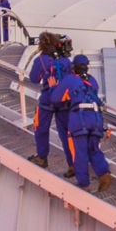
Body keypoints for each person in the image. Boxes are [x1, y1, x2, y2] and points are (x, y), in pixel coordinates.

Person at [56, 55, 113, 192]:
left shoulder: (70, 80)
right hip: (96, 119)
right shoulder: (92, 81)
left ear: (73, 67)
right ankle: (104, 174)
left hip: (79, 119)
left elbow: (55, 98)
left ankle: (84, 183)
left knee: (80, 152)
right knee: (94, 149)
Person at [26, 32, 73, 174]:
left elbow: (34, 78)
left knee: (41, 128)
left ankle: (42, 157)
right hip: (64, 101)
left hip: (47, 100)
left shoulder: (41, 60)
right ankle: (73, 164)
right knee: (66, 134)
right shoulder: (66, 61)